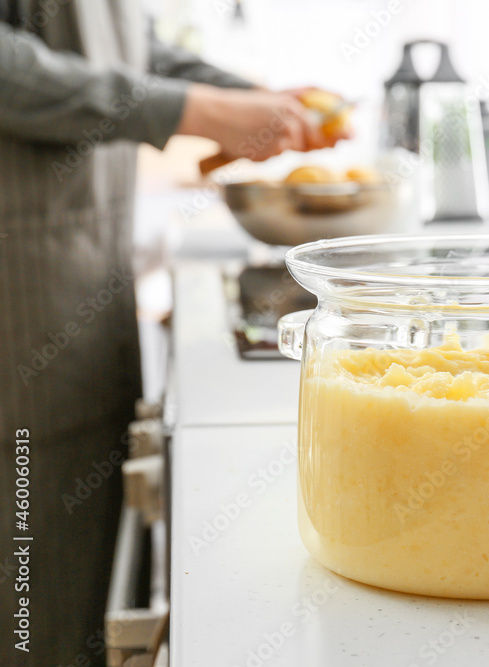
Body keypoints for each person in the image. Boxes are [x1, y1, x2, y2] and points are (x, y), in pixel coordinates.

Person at [0, 2, 344, 664]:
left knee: (83, 566)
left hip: (79, 278)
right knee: (31, 572)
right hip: (22, 296)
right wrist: (201, 111)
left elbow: (125, 43)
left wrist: (247, 96)